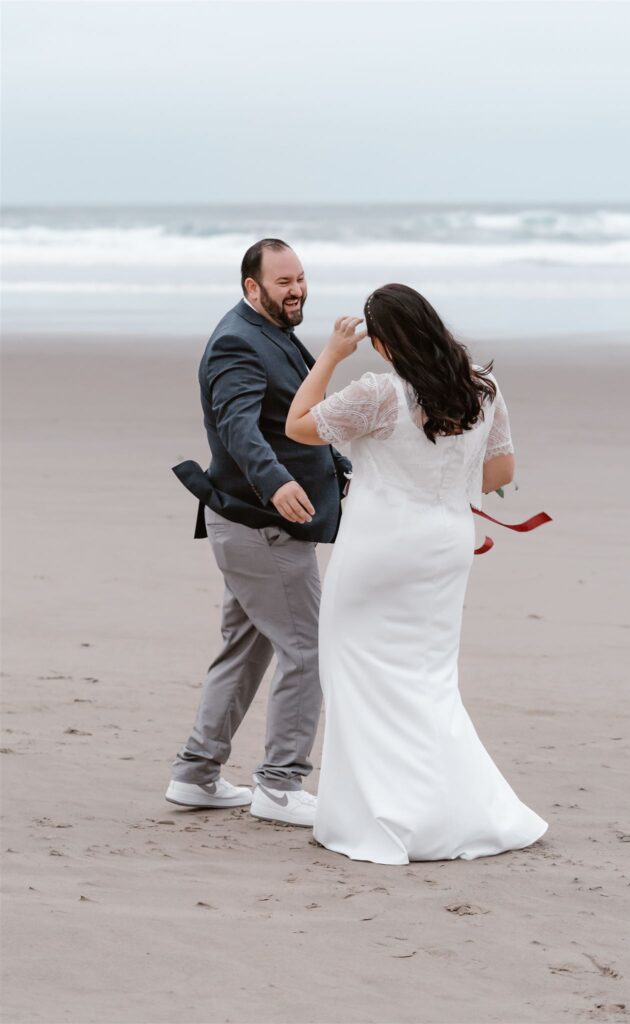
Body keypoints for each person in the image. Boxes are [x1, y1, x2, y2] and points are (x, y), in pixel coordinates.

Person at [286, 283, 549, 864]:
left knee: (357, 672)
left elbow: (299, 424)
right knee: (429, 679)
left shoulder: (380, 392)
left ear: (381, 343)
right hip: (448, 543)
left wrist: (329, 354)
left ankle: (379, 813)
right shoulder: (482, 385)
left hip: (380, 545)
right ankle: (460, 809)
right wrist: (445, 471)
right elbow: (498, 472)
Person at [167, 239, 352, 827]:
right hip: (261, 526)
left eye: (300, 278)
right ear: (252, 287)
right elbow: (238, 427)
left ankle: (195, 774)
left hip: (253, 527)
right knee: (308, 649)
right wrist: (274, 485)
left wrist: (341, 470)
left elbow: (290, 416)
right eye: (283, 282)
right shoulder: (235, 342)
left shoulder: (269, 331)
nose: (297, 289)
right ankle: (279, 784)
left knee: (244, 652)